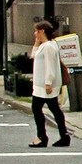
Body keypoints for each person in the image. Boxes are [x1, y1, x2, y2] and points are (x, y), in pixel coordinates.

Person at [29, 19, 70, 149]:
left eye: (37, 31)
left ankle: (42, 137)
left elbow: (50, 65)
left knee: (37, 108)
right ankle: (63, 135)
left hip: (45, 85)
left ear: (42, 31)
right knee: (54, 109)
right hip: (41, 85)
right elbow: (34, 56)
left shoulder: (49, 47)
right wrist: (36, 44)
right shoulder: (46, 45)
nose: (35, 33)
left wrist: (48, 82)